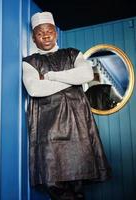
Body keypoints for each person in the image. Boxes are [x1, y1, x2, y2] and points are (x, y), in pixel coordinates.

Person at [22, 12, 112, 200]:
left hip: (77, 122)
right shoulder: (30, 62)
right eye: (40, 33)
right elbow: (35, 89)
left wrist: (52, 76)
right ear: (33, 38)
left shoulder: (73, 53)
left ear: (56, 33)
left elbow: (87, 74)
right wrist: (72, 79)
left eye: (50, 31)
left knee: (79, 177)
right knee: (53, 180)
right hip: (47, 126)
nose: (46, 36)